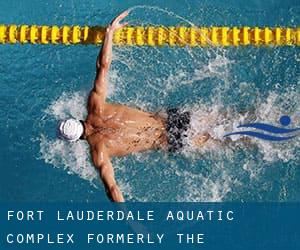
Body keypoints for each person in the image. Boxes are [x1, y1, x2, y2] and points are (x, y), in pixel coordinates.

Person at [58, 11, 210, 202]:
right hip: (172, 118)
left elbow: (112, 189)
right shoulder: (95, 105)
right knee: (226, 118)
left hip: (171, 140)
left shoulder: (99, 152)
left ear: (76, 140)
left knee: (228, 141)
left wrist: (133, 223)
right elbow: (103, 66)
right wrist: (109, 33)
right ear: (76, 119)